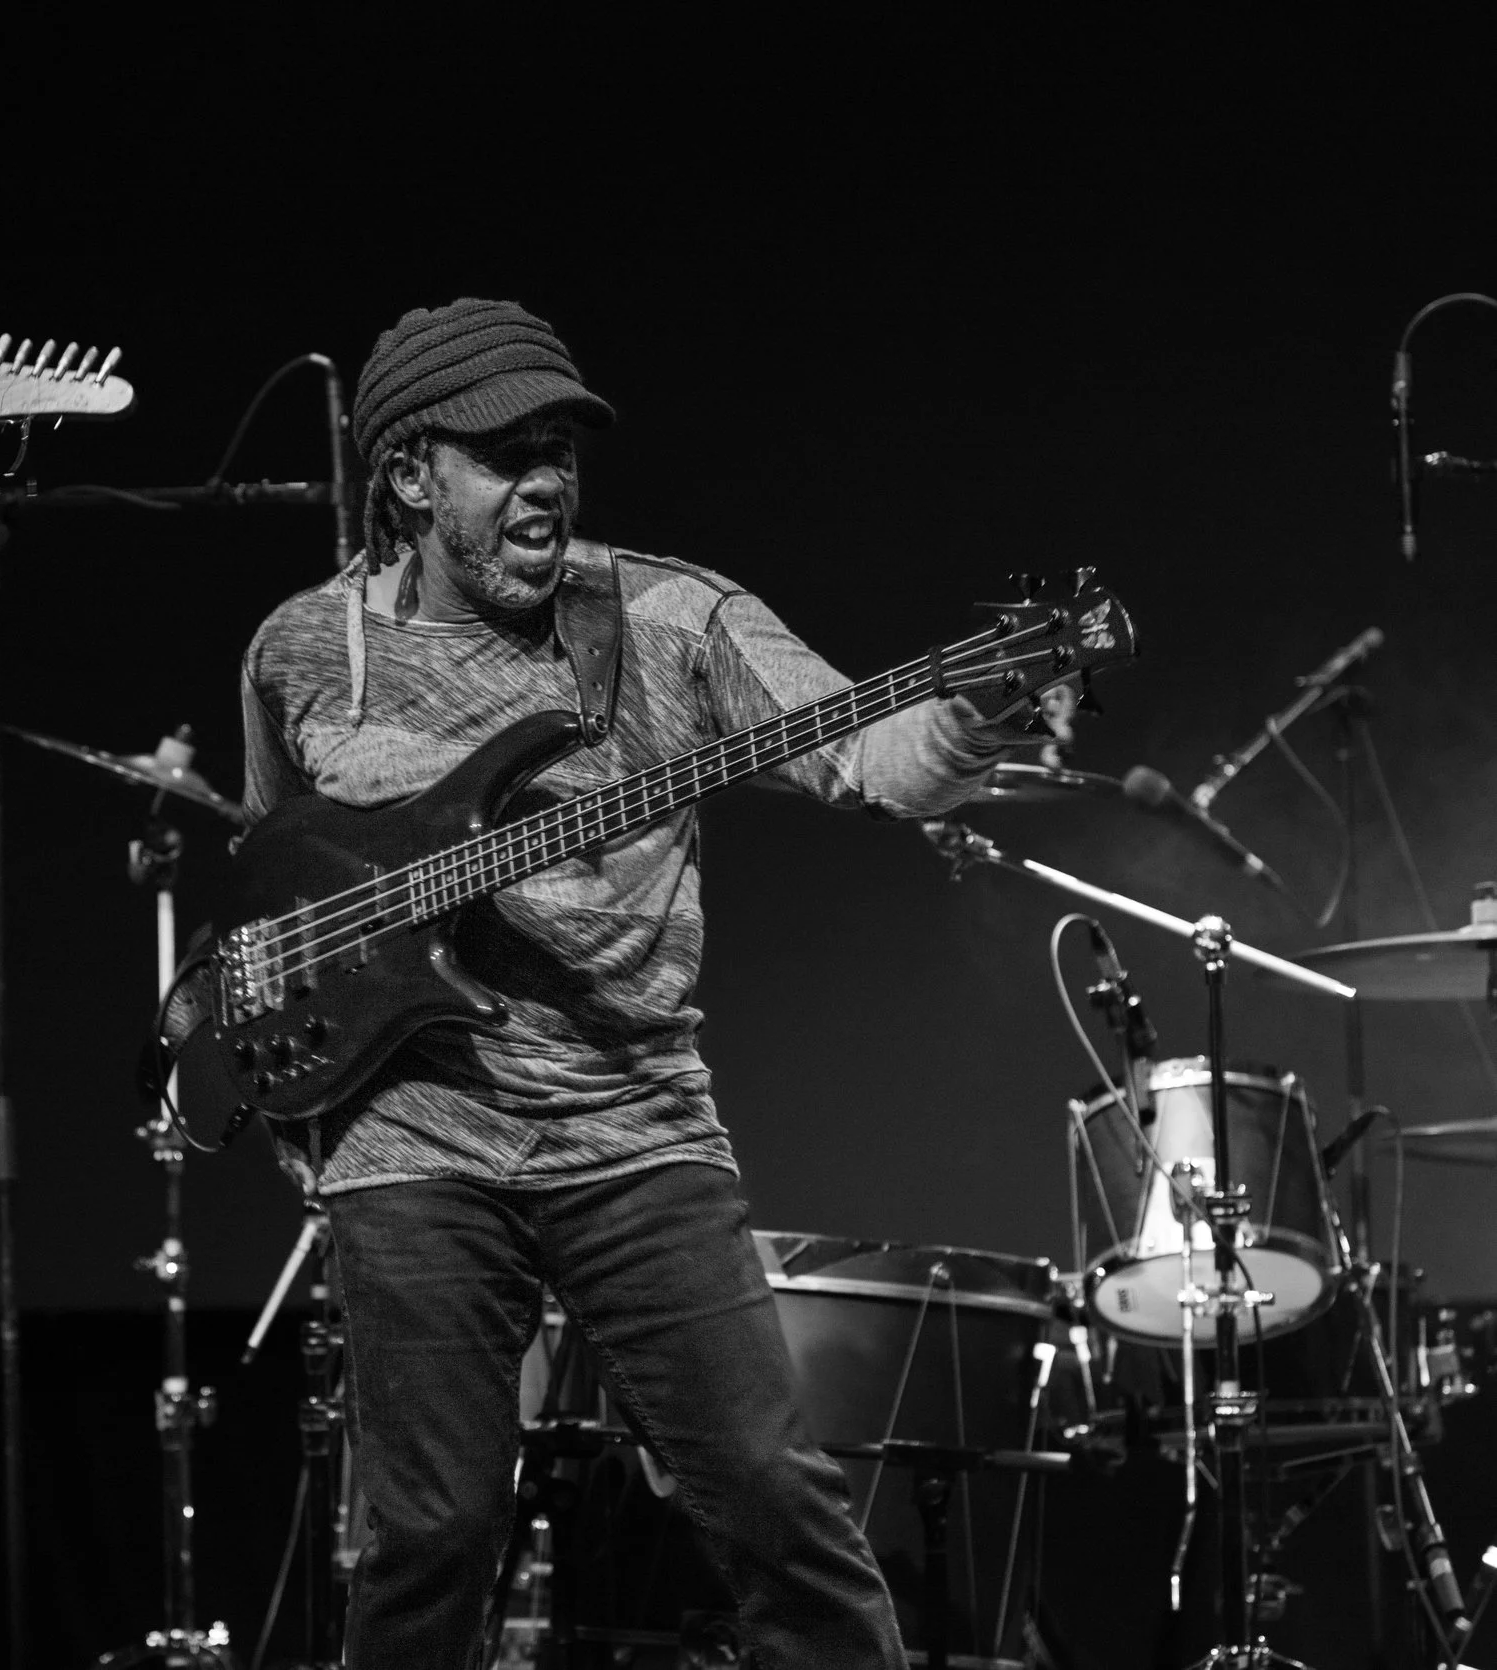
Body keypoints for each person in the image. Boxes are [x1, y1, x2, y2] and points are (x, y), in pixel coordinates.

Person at [237, 298, 1047, 1666]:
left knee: (777, 1503)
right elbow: (275, 880)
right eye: (502, 452)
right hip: (412, 1131)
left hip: (634, 1123)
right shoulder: (303, 650)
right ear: (409, 474)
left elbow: (867, 755)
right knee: (426, 1534)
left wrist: (979, 704)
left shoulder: (674, 615)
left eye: (559, 445)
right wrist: (292, 1097)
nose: (545, 477)